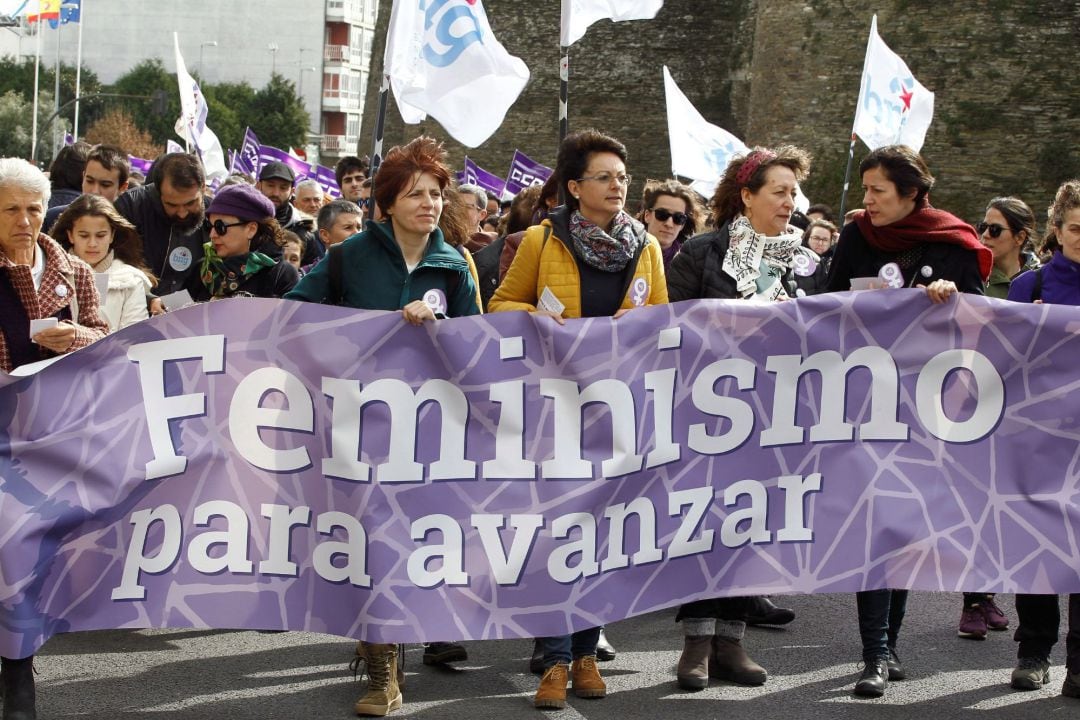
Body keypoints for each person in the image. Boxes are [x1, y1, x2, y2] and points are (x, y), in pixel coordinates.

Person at [287, 136, 479, 717]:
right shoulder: (348, 258)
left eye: (436, 193)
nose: (428, 203)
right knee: (371, 539)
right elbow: (293, 316)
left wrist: (440, 323)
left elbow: (478, 346)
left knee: (410, 540)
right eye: (414, 193)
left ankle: (399, 646)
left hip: (428, 426)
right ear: (386, 202)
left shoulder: (453, 265)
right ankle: (382, 673)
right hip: (357, 420)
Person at [489, 129, 667, 710]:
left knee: (603, 536)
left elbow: (662, 322)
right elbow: (502, 306)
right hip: (552, 408)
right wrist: (549, 325)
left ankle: (588, 652)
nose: (617, 185)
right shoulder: (542, 241)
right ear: (574, 187)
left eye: (622, 176)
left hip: (617, 409)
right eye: (604, 177)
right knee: (556, 532)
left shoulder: (647, 247)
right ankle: (557, 661)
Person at [824, 144, 990, 698]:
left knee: (902, 526)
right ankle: (874, 653)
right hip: (864, 401)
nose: (866, 200)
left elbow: (987, 327)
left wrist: (953, 300)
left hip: (929, 408)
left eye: (877, 191)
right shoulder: (855, 237)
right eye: (865, 188)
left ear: (913, 193)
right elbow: (825, 308)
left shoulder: (955, 245)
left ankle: (889, 643)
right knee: (873, 524)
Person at [665, 146, 812, 693]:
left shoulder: (802, 261)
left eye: (793, 193)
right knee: (705, 525)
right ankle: (696, 645)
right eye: (779, 191)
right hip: (706, 415)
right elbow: (665, 328)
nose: (789, 202)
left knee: (750, 528)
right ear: (747, 196)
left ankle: (732, 641)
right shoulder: (703, 253)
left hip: (773, 418)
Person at [0, 157, 109, 720]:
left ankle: (17, 673)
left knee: (24, 553)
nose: (24, 219)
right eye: (11, 209)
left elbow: (107, 341)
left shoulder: (74, 270)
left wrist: (79, 336)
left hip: (51, 432)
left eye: (34, 208)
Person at [1003, 179, 1080, 698]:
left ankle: (1079, 664)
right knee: (1036, 548)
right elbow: (1001, 360)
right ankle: (1034, 651)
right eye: (1076, 228)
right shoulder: (1028, 287)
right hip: (1038, 439)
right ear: (1056, 229)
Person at [115, 152, 210, 304]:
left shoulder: (216, 217)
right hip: (134, 308)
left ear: (203, 188)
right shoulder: (130, 207)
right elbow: (114, 269)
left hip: (190, 313)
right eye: (172, 205)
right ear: (158, 192)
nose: (182, 213)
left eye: (190, 203)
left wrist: (170, 304)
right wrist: (150, 300)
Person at [52, 194, 156, 332]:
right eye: (84, 235)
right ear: (70, 235)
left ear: (112, 235)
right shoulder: (49, 272)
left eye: (101, 235)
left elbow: (132, 335)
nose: (92, 244)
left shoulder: (131, 280)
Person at [193, 183, 298, 301]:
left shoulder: (281, 275)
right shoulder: (202, 269)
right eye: (209, 226)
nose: (212, 235)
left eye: (220, 227)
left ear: (251, 229)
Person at [977, 196, 1039, 300]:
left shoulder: (1042, 279)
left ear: (1019, 238)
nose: (985, 235)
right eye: (983, 227)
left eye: (995, 229)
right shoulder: (971, 275)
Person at [638, 179, 703, 270]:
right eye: (662, 214)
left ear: (683, 224)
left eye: (678, 218)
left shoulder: (691, 262)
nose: (669, 224)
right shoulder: (626, 251)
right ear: (647, 215)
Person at [793, 218, 837, 296]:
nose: (820, 243)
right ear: (807, 238)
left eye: (825, 240)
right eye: (816, 238)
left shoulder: (835, 261)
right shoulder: (796, 256)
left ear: (831, 242)